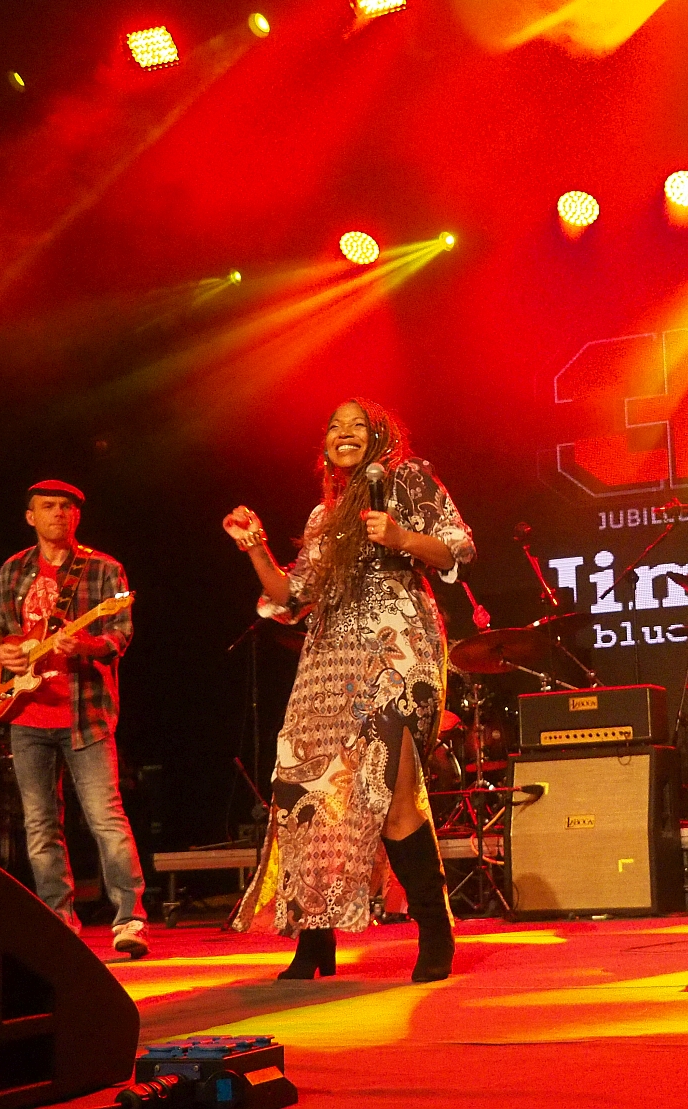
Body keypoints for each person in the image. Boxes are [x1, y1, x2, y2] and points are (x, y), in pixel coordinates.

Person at [224, 399, 475, 982]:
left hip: (395, 645)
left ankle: (434, 928)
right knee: (310, 790)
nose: (344, 432)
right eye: (334, 425)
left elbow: (455, 548)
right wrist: (255, 547)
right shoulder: (323, 516)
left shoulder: (407, 478)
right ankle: (315, 938)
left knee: (392, 786)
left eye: (357, 424)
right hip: (327, 656)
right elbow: (291, 596)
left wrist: (401, 535)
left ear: (380, 436)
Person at [0, 480, 149, 957]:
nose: (58, 513)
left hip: (85, 714)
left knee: (106, 819)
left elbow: (120, 633)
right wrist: (1, 651)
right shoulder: (14, 569)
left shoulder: (103, 568)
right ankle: (59, 922)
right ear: (30, 516)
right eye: (48, 506)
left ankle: (130, 920)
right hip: (25, 713)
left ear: (77, 516)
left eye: (66, 507)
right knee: (40, 826)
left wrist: (87, 644)